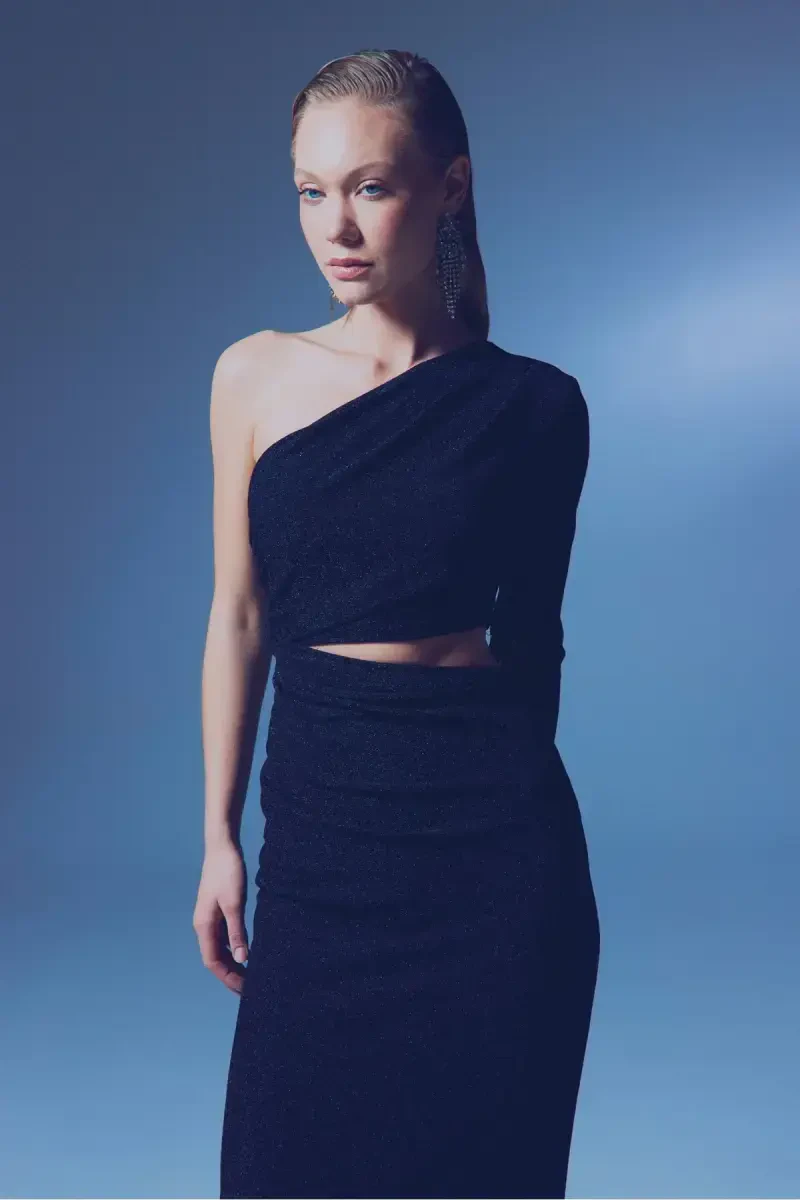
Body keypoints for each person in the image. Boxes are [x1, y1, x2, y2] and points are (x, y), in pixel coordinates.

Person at [194, 47, 600, 1200]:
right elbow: (238, 615)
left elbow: (534, 644)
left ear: (449, 187)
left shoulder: (535, 407)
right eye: (310, 191)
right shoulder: (253, 377)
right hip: (322, 841)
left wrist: (507, 849)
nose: (335, 226)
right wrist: (219, 836)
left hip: (493, 865)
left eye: (369, 187)